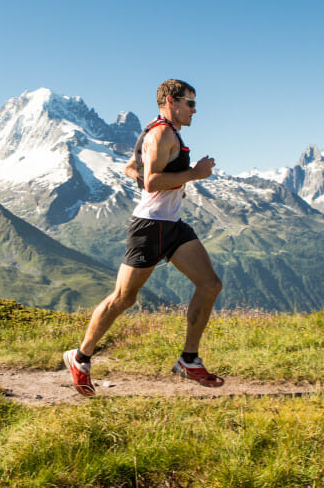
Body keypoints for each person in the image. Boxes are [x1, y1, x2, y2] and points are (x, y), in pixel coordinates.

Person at [63, 79, 223, 396]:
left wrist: (172, 191)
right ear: (170, 101)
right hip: (149, 228)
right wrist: (193, 174)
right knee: (124, 298)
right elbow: (150, 181)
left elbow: (130, 168)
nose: (194, 110)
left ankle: (189, 359)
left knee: (210, 284)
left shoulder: (163, 133)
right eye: (190, 103)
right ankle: (80, 357)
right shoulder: (161, 132)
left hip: (172, 225)